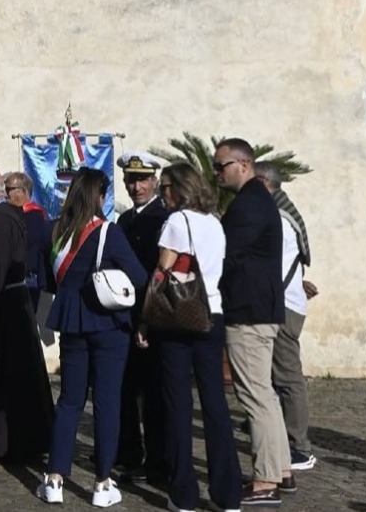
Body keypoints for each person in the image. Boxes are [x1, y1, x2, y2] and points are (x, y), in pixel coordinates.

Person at [36, 168, 146, 508]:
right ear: (99, 196)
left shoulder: (53, 230)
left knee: (69, 401)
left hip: (71, 320)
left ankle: (54, 479)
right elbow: (139, 276)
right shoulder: (108, 233)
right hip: (109, 324)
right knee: (107, 402)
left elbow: (47, 280)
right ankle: (102, 483)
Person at [140, 163, 242, 512]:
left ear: (177, 188)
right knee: (215, 405)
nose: (161, 193)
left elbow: (162, 271)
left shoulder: (176, 222)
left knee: (178, 404)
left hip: (180, 318)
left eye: (164, 186)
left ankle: (183, 491)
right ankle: (228, 493)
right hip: (213, 315)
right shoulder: (214, 222)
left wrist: (145, 318)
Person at [214, 138, 293, 505]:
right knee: (265, 395)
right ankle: (281, 470)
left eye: (221, 166)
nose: (217, 174)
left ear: (243, 164)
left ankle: (265, 480)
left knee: (255, 396)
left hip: (249, 312)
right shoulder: (257, 201)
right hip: (260, 309)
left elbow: (227, 258)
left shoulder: (248, 204)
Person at [0, 169, 53, 463]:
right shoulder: (0, 218)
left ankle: (3, 443)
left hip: (1, 308)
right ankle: (15, 441)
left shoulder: (0, 221)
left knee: (1, 377)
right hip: (7, 304)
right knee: (16, 376)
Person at [255, 161, 318, 471]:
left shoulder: (277, 220)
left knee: (287, 376)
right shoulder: (280, 213)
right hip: (281, 304)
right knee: (275, 375)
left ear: (265, 183)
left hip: (280, 308)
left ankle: (299, 447)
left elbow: (271, 269)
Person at [114, 151, 170, 482]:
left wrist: (147, 318)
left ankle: (159, 461)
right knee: (125, 390)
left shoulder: (162, 218)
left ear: (154, 182)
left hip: (153, 317)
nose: (136, 187)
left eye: (142, 180)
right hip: (126, 316)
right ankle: (130, 454)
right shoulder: (125, 221)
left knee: (154, 396)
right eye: (131, 180)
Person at [3, 171, 51, 313]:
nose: (5, 195)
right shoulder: (14, 214)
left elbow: (28, 246)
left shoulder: (34, 216)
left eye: (8, 190)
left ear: (23, 192)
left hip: (25, 280)